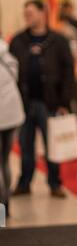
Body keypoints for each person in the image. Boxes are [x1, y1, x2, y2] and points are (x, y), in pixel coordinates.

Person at [9, 0, 75, 198]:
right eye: (25, 13)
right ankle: (24, 182)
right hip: (25, 103)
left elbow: (68, 72)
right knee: (25, 145)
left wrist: (64, 102)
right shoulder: (18, 41)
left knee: (52, 145)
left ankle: (55, 183)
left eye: (30, 13)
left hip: (51, 102)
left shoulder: (58, 41)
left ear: (42, 13)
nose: (27, 17)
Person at [0, 38, 25, 216]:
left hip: (4, 116)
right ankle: (5, 205)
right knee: (4, 161)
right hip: (13, 114)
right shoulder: (7, 54)